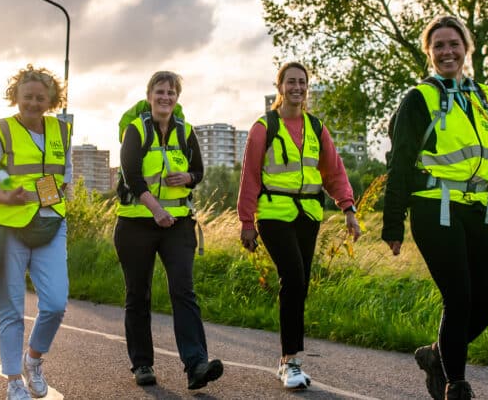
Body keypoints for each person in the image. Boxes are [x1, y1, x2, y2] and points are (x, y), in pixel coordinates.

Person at [382, 15, 488, 400]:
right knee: (460, 297)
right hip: (433, 208)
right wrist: (393, 224)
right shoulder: (419, 98)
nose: (447, 51)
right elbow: (399, 162)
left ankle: (438, 355)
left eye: (454, 44)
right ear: (429, 53)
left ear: (467, 48)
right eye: (438, 46)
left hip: (476, 210)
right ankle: (456, 383)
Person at [237, 61, 361, 390]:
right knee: (292, 277)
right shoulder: (264, 127)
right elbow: (249, 176)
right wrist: (247, 220)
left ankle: (285, 360)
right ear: (279, 88)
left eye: (302, 82)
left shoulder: (316, 127)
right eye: (290, 82)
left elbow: (334, 171)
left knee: (301, 283)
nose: (297, 87)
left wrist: (348, 207)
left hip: (308, 214)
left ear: (307, 87)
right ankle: (291, 361)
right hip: (274, 213)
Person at [0, 65, 72, 400]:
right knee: (11, 307)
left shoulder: (62, 130)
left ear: (52, 100)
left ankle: (33, 360)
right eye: (28, 97)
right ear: (16, 97)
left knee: (55, 303)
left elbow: (65, 170)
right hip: (9, 225)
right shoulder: (1, 131)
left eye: (41, 97)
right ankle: (13, 381)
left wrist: (57, 192)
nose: (34, 103)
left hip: (51, 222)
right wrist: (4, 196)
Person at [114, 71, 223, 390]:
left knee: (183, 291)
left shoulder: (186, 131)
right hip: (136, 224)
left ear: (177, 98)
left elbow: (199, 171)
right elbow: (131, 177)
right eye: (160, 92)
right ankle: (142, 364)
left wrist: (187, 178)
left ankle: (196, 365)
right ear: (149, 96)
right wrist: (156, 209)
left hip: (177, 225)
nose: (165, 97)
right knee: (138, 294)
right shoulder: (135, 130)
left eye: (171, 92)